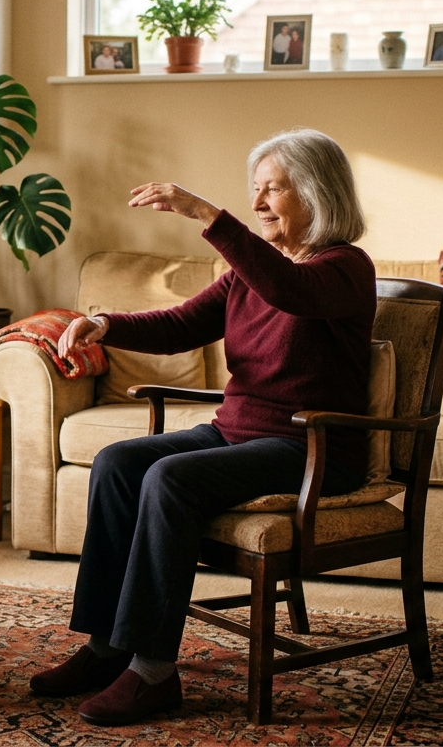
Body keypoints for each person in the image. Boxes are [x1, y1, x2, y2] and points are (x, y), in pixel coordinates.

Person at [28, 128, 375, 727]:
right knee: (118, 463)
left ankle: (154, 671)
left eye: (275, 189)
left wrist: (205, 214)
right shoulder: (253, 271)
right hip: (239, 431)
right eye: (255, 190)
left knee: (171, 479)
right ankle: (106, 648)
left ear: (316, 194)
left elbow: (291, 292)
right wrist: (104, 324)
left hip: (311, 446)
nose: (260, 202)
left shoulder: (344, 268)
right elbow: (181, 324)